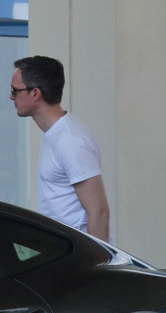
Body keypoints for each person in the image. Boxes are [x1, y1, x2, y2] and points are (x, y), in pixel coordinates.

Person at [10, 56, 111, 241]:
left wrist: (99, 268)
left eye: (15, 91)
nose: (11, 96)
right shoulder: (54, 135)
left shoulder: (71, 140)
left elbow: (99, 211)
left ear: (35, 93)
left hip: (79, 261)